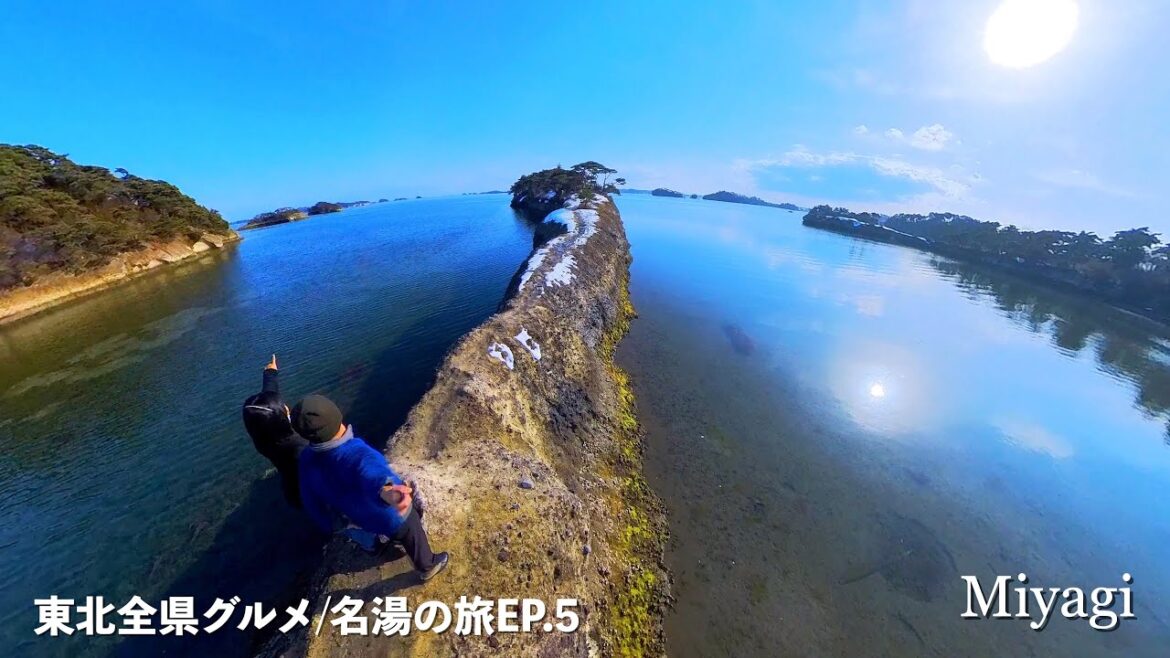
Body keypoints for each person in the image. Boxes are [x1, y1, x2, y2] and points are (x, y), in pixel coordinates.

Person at [292, 394, 449, 581]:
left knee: (356, 531)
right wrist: (390, 490)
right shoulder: (356, 451)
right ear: (337, 417)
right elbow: (373, 474)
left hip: (353, 517)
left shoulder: (306, 459)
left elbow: (310, 500)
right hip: (386, 516)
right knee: (409, 523)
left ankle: (374, 546)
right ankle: (427, 566)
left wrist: (330, 525)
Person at [242, 354, 309, 508]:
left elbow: (263, 407)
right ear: (281, 419)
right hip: (307, 492)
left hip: (290, 490)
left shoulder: (263, 438)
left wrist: (270, 374)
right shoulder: (301, 445)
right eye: (283, 407)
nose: (286, 406)